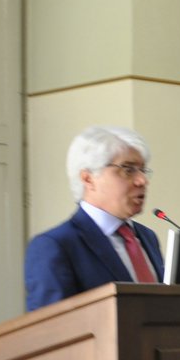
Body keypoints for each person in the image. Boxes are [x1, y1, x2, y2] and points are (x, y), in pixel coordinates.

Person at [24, 126, 164, 311]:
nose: (142, 181)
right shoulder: (55, 246)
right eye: (128, 170)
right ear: (88, 179)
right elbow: (51, 333)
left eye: (143, 170)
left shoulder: (147, 238)